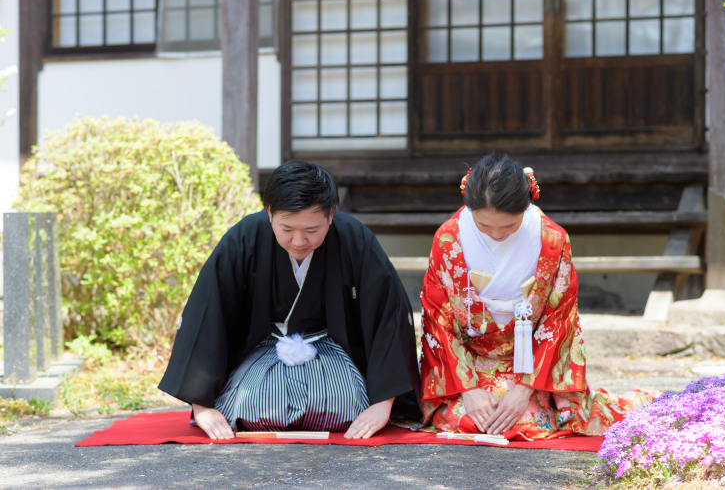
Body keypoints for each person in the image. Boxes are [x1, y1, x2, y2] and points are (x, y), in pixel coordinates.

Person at [159, 161, 421, 439]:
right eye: (287, 229)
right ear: (269, 212)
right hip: (262, 350)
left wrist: (383, 403)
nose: (298, 241)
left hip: (333, 353)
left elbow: (387, 314)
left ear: (331, 215)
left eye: (311, 230)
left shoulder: (354, 238)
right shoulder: (245, 237)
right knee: (249, 407)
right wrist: (202, 407)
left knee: (344, 405)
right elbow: (208, 311)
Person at [419, 154, 658, 440]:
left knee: (529, 421)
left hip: (530, 365)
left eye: (508, 226)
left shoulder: (552, 240)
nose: (496, 234)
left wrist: (524, 389)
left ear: (526, 205)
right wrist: (468, 390)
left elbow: (559, 321)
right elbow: (437, 317)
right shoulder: (448, 239)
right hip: (468, 366)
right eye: (484, 225)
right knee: (463, 417)